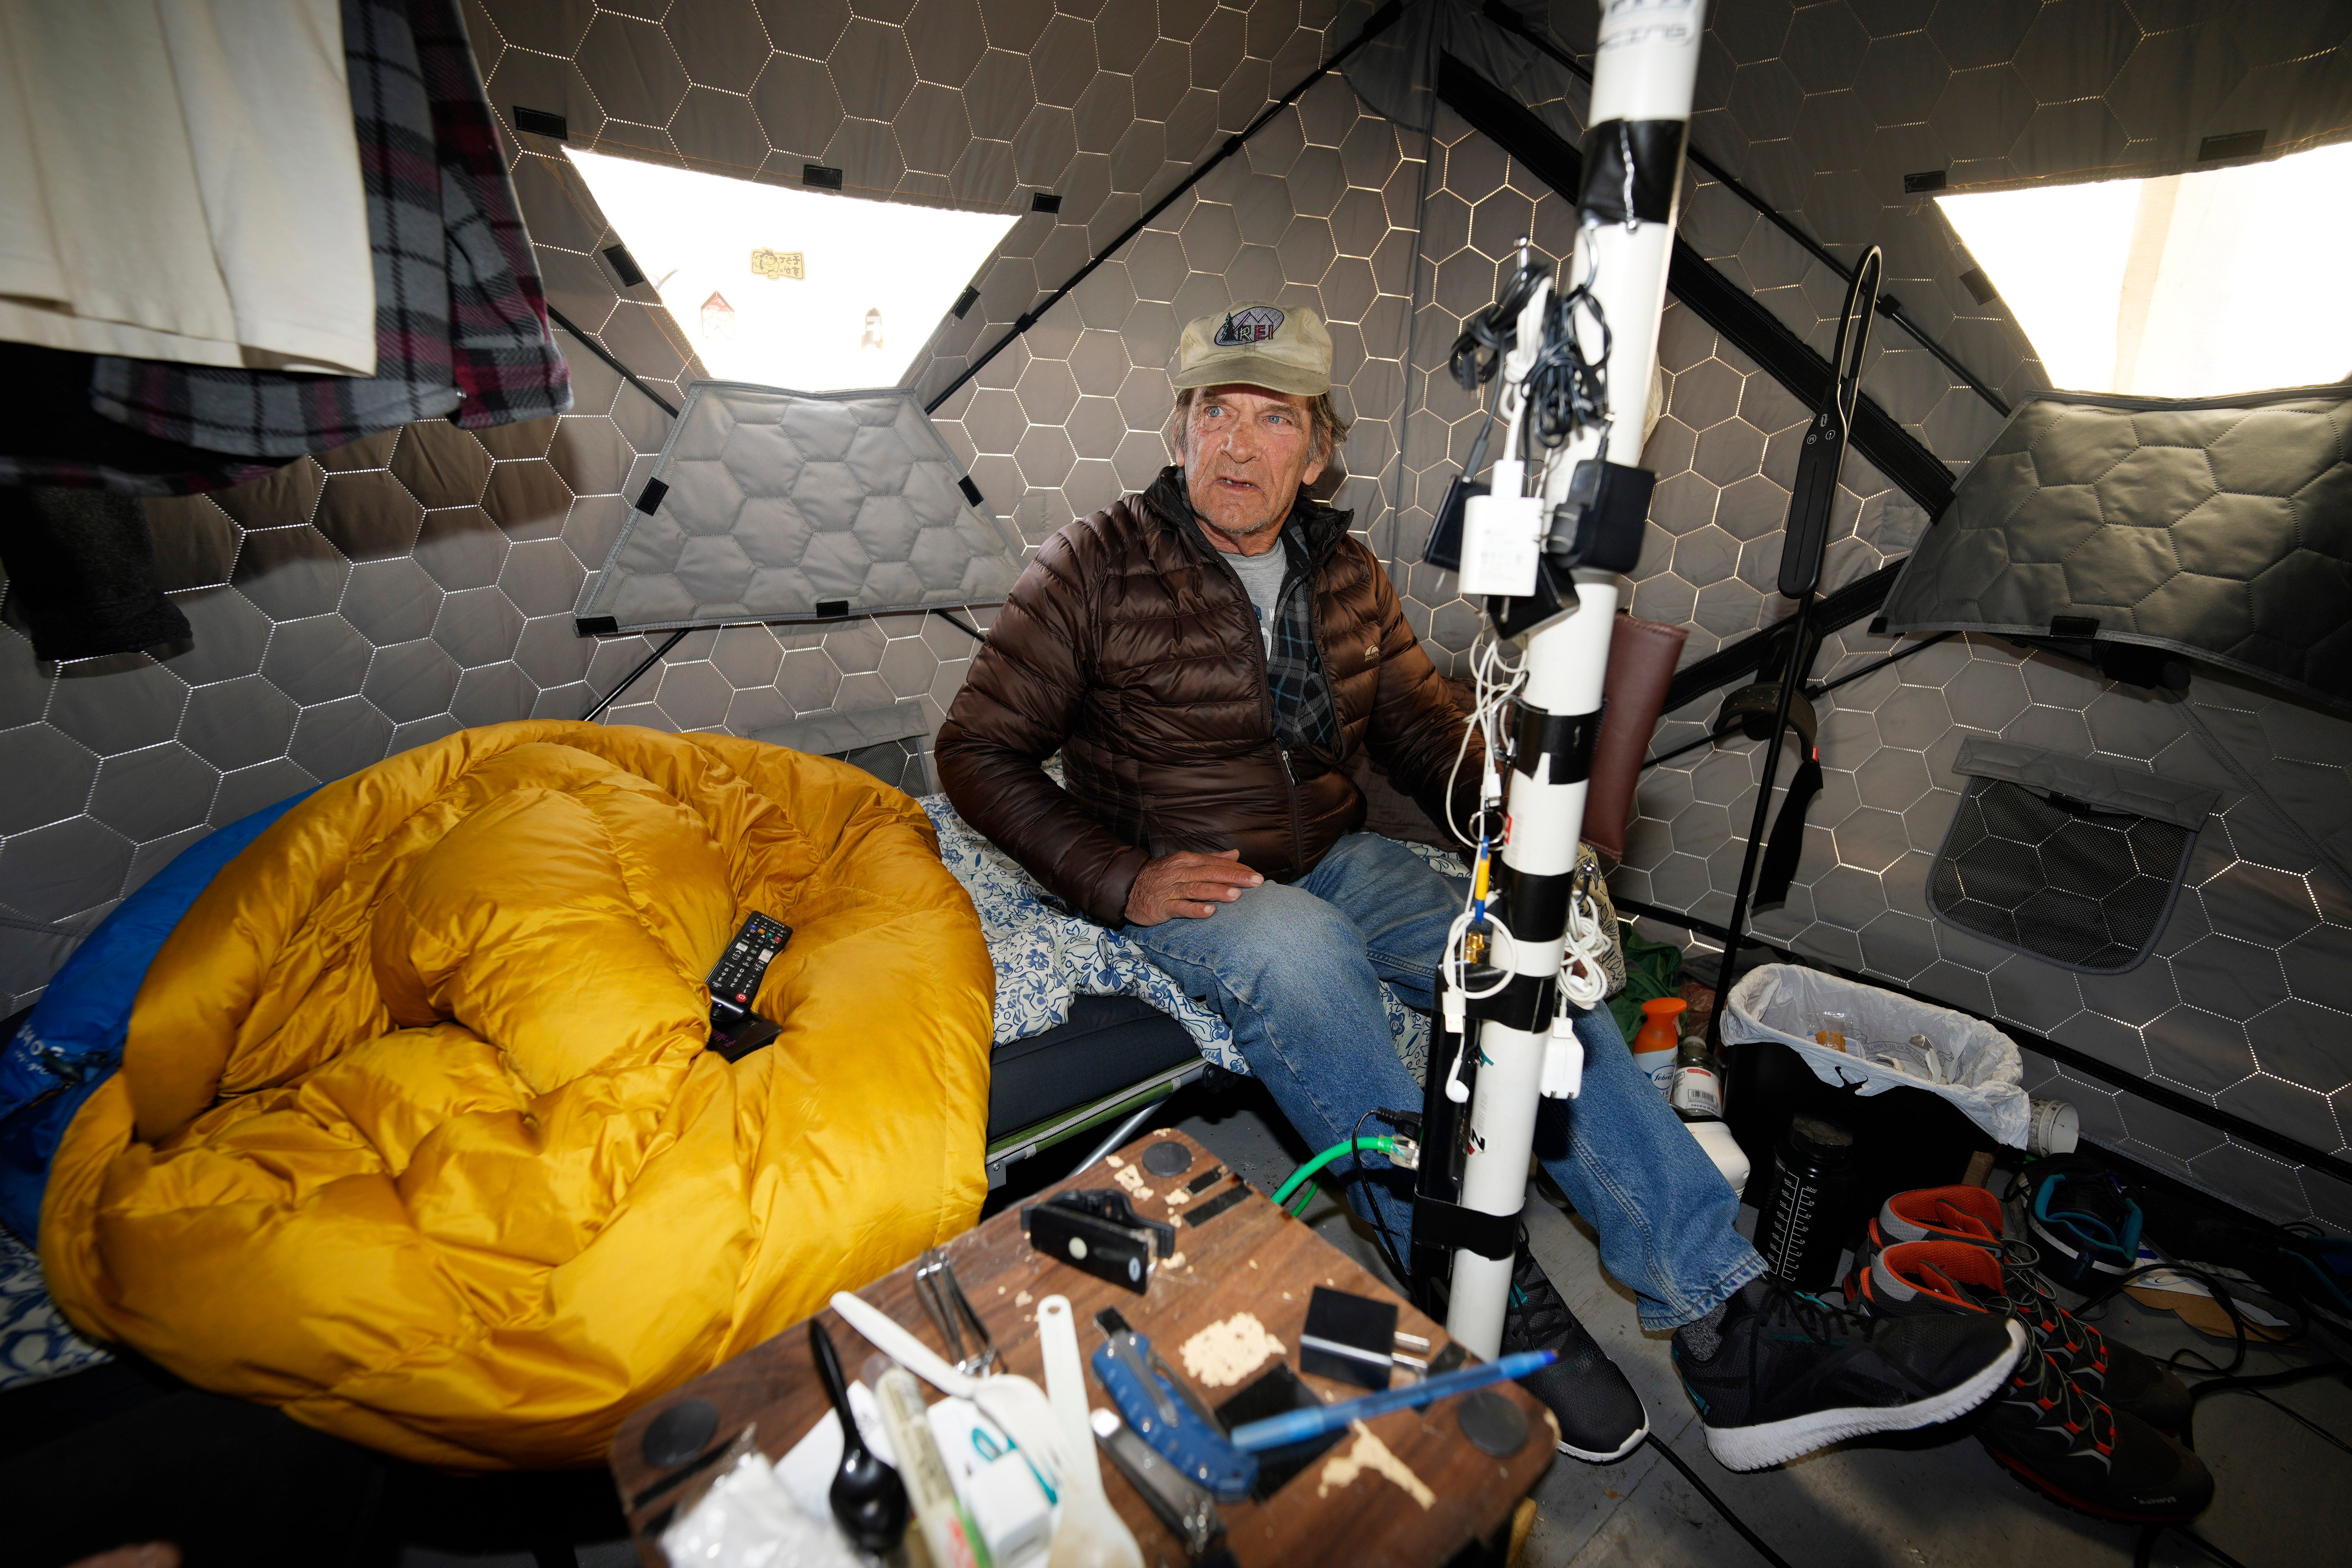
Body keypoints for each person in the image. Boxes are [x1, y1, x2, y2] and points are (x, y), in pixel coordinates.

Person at [936, 301, 2023, 1468]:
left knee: (1528, 958)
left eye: (1272, 419)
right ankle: (1481, 1286)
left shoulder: (1343, 571)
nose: (1238, 448)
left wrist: (1530, 825)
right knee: (1306, 961)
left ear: (1320, 448)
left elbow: (1418, 728)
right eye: (1215, 415)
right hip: (1193, 876)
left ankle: (1730, 1323)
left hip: (1335, 851)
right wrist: (1124, 876)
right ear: (1179, 426)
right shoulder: (1095, 565)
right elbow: (975, 750)